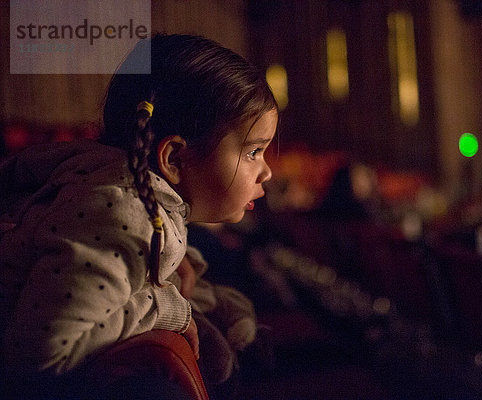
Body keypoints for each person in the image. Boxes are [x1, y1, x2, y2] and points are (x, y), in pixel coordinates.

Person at [0, 33, 278, 397]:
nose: (267, 171)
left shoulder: (129, 200)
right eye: (253, 152)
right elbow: (42, 353)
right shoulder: (122, 212)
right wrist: (169, 309)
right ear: (175, 159)